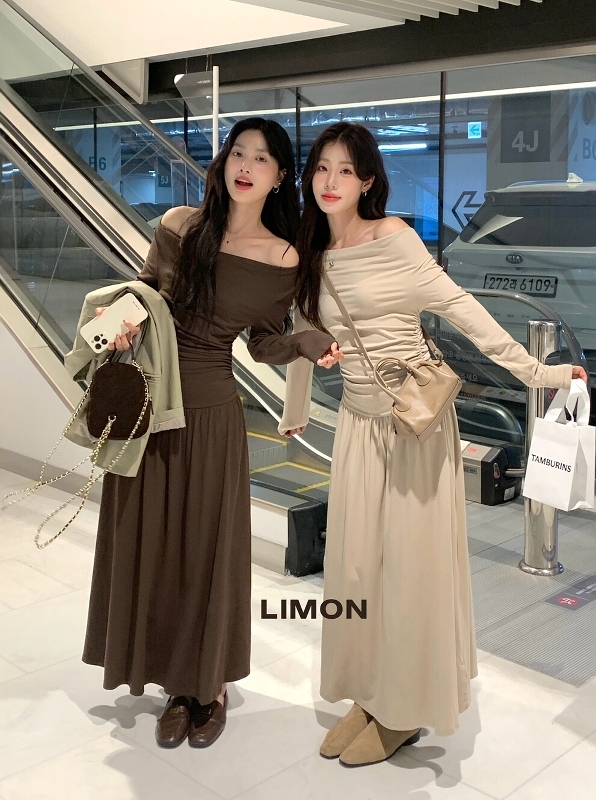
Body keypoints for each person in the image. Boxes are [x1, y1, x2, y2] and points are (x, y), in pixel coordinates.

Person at [279, 122, 587, 768]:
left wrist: (539, 373)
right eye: (322, 167)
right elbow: (305, 327)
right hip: (357, 428)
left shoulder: (392, 240)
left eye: (345, 170)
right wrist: (295, 409)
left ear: (368, 181)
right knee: (356, 568)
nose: (331, 181)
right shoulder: (314, 250)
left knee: (408, 570)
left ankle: (405, 708)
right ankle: (369, 691)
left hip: (411, 427)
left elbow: (461, 308)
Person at [83, 117, 341, 749]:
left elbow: (264, 343)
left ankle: (209, 687)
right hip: (153, 407)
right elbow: (144, 295)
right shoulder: (179, 225)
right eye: (238, 153)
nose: (246, 165)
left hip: (212, 415)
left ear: (280, 176)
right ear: (223, 162)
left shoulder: (284, 257)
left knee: (205, 552)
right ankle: (175, 684)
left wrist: (307, 342)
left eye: (262, 158)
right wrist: (119, 324)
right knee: (153, 544)